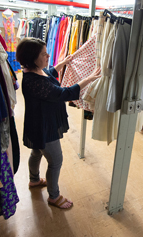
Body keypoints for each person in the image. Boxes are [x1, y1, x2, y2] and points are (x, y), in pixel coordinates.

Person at [16, 37, 100, 209]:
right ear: (33, 57)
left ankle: (34, 180)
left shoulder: (35, 72)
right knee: (55, 161)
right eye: (44, 54)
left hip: (37, 123)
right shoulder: (34, 82)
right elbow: (65, 93)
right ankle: (54, 196)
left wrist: (64, 62)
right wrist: (89, 78)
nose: (48, 56)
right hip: (44, 126)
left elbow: (50, 73)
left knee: (37, 152)